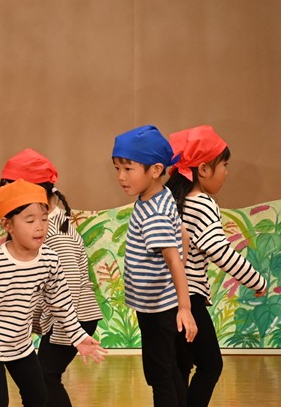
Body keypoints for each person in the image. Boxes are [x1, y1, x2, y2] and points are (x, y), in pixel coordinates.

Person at [0, 179, 106, 406]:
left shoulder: (50, 259)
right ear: (8, 225)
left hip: (20, 343)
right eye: (30, 220)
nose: (40, 227)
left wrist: (77, 336)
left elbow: (61, 303)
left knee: (38, 397)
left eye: (44, 219)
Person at [165, 125, 267, 407]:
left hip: (166, 299)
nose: (226, 172)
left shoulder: (172, 200)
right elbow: (220, 251)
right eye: (224, 165)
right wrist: (257, 280)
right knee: (210, 365)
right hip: (189, 298)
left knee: (181, 366)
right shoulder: (202, 203)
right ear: (204, 169)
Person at [0, 148, 103, 407]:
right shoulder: (42, 226)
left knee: (46, 377)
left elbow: (70, 286)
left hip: (73, 318)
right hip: (65, 319)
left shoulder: (56, 233)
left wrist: (67, 332)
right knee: (42, 377)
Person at [111, 125, 198, 407]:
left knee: (160, 375)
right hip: (156, 304)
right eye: (117, 168)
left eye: (128, 168)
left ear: (156, 169)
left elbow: (172, 259)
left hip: (158, 309)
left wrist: (184, 307)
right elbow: (183, 234)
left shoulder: (154, 213)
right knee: (168, 370)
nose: (121, 177)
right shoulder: (160, 197)